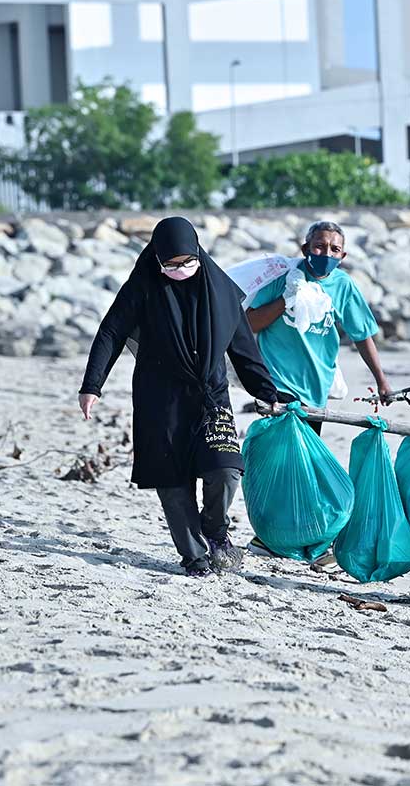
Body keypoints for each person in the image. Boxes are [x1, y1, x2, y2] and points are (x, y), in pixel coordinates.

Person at [78, 217, 279, 577]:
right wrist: (92, 385)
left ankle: (215, 529)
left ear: (198, 253)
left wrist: (267, 392)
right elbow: (111, 332)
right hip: (160, 399)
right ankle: (195, 556)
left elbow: (243, 348)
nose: (180, 269)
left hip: (210, 396)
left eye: (187, 262)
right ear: (157, 259)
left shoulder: (220, 290)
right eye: (170, 264)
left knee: (226, 471)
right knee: (172, 482)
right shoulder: (142, 287)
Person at [245, 220, 394, 435]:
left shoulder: (343, 286)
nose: (326, 254)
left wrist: (381, 381)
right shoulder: (283, 277)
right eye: (319, 246)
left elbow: (362, 336)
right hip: (276, 382)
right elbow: (250, 323)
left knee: (304, 455)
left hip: (316, 389)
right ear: (305, 249)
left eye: (335, 250)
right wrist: (286, 299)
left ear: (343, 257)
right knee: (279, 454)